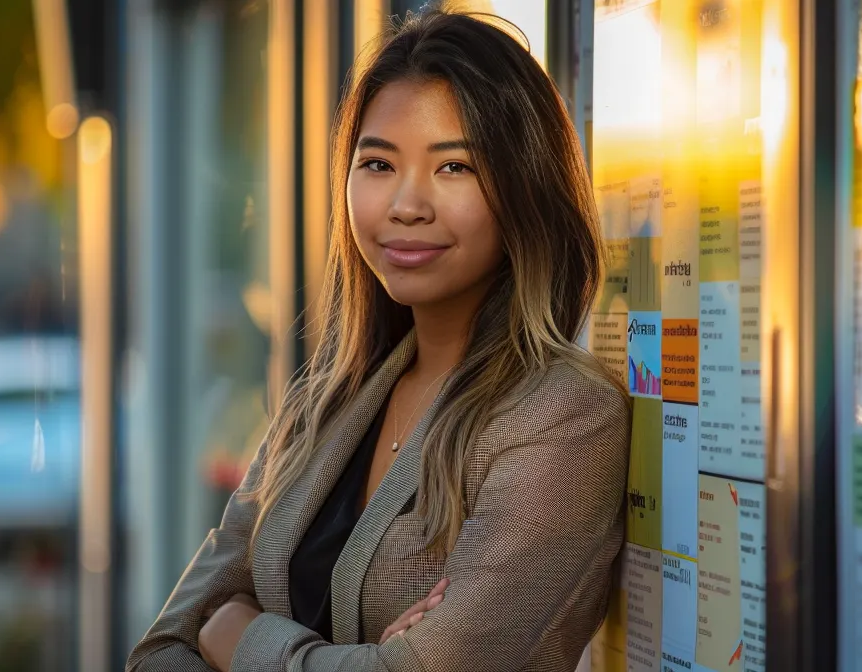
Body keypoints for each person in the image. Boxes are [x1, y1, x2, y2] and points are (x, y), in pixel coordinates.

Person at [127, 10, 630, 672]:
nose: (406, 204)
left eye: (454, 168)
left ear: (524, 187)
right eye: (377, 163)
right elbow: (160, 650)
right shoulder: (323, 403)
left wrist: (232, 633)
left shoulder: (564, 416)